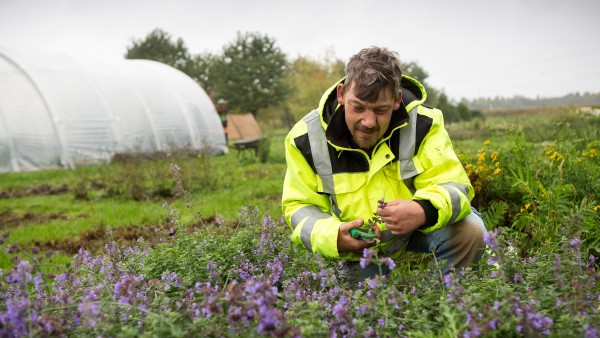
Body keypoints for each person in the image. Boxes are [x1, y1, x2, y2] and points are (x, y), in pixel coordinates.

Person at [281, 46, 486, 282]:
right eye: (357, 107)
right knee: (364, 314)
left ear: (397, 99)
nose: (368, 122)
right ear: (341, 94)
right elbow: (299, 207)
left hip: (416, 229)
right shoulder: (305, 138)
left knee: (471, 230)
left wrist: (424, 210)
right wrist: (334, 235)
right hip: (358, 248)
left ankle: (446, 309)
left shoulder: (424, 123)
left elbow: (455, 187)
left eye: (380, 110)